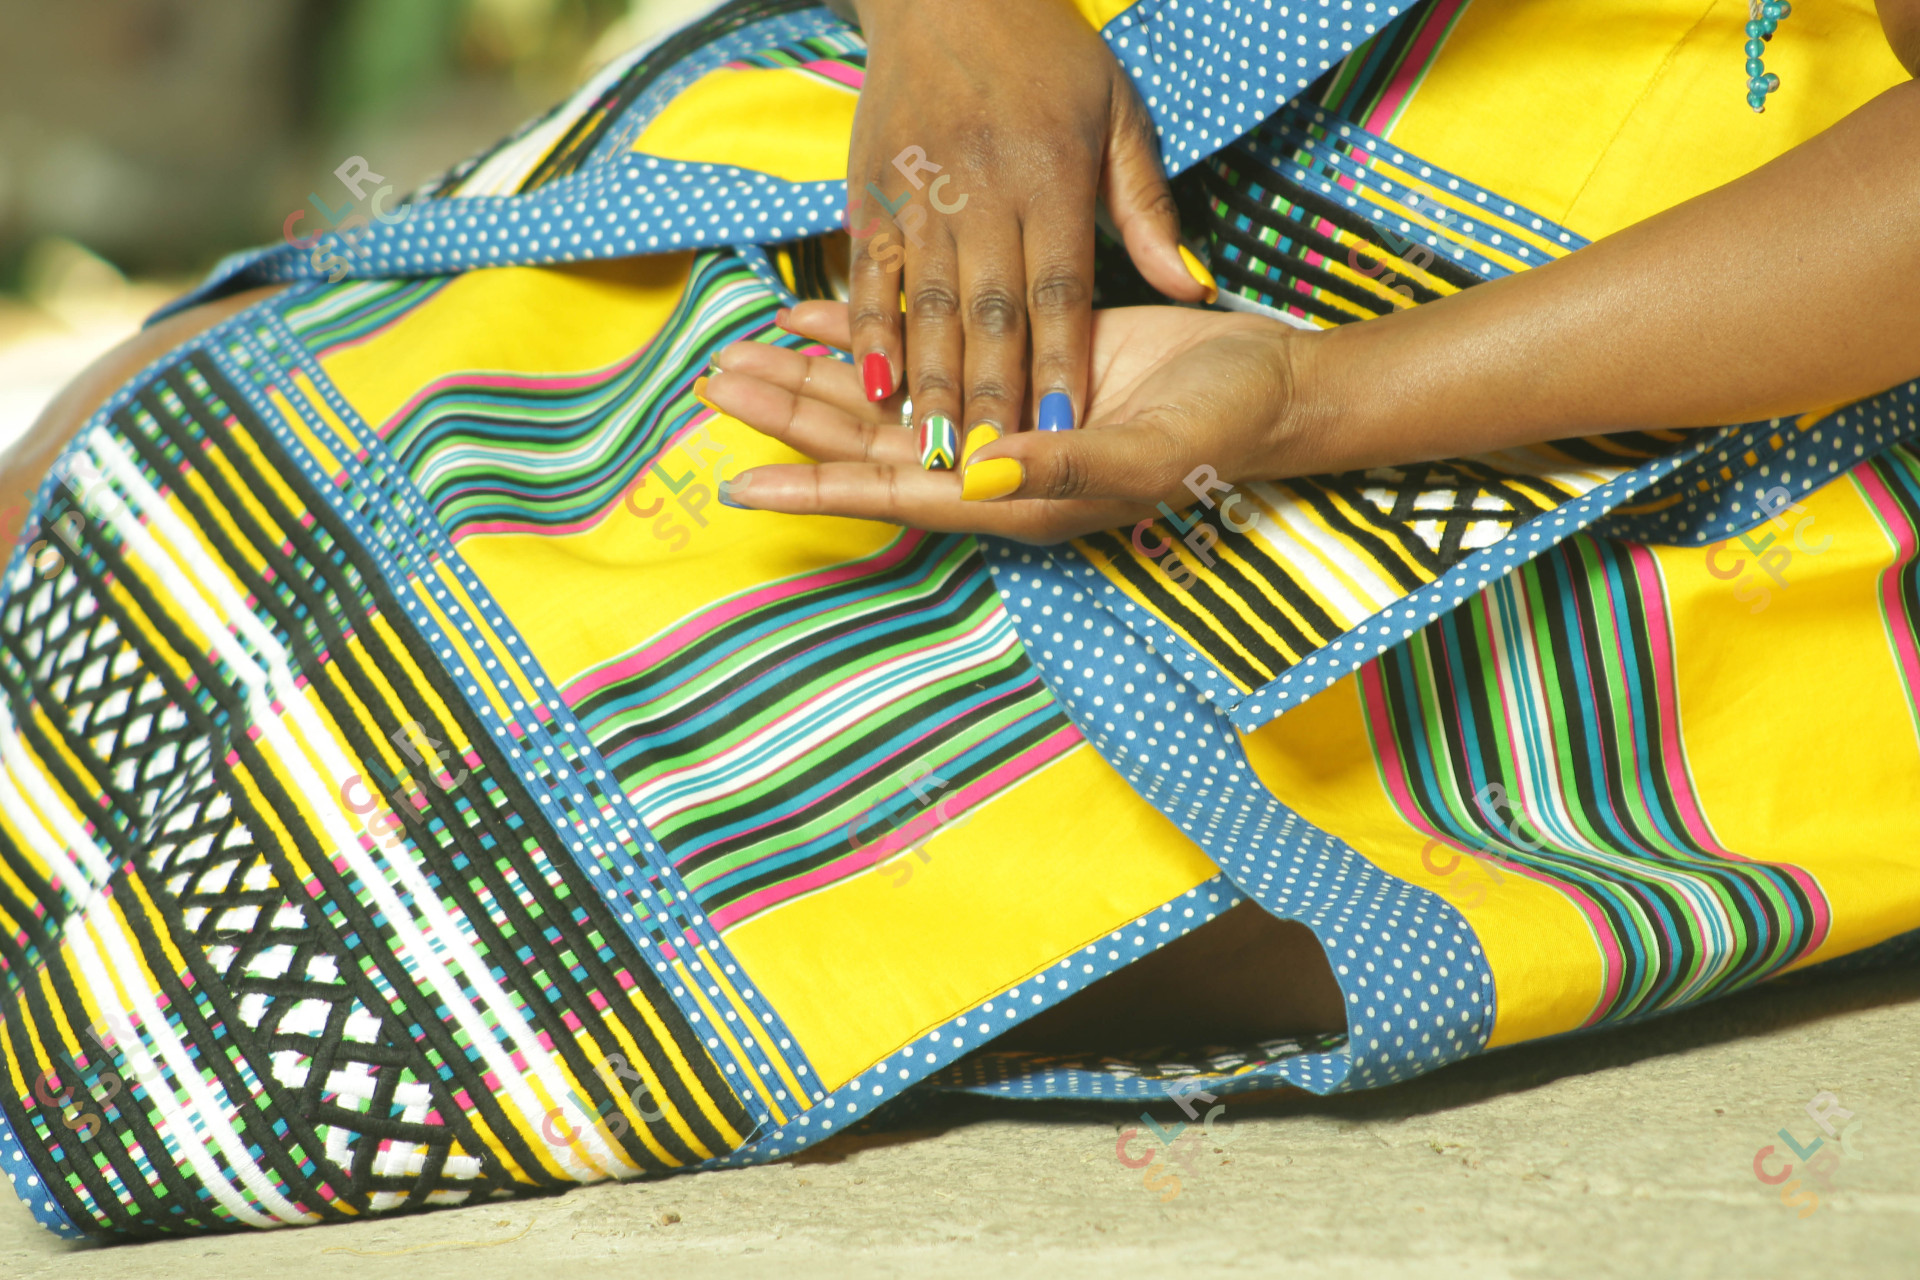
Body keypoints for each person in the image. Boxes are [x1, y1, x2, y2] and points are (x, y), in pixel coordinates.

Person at [1, 0, 1916, 1240]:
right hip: (1119, 67)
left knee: (453, 963)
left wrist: (1309, 401)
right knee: (111, 493)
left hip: (1673, 318)